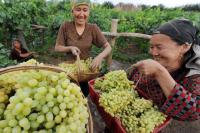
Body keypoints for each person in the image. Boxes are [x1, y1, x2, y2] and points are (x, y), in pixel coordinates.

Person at [128, 19, 200, 132]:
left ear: (184, 47)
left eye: (159, 47)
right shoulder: (156, 61)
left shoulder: (194, 76)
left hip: (147, 126)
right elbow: (132, 80)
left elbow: (192, 112)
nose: (153, 53)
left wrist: (160, 73)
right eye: (151, 47)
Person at [55, 0, 112, 97]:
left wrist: (99, 57)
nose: (81, 14)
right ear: (72, 11)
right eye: (78, 10)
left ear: (88, 12)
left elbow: (108, 47)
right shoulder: (66, 26)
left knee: (83, 97)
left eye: (85, 10)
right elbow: (57, 47)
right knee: (67, 97)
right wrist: (70, 48)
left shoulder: (93, 28)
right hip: (70, 72)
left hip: (85, 74)